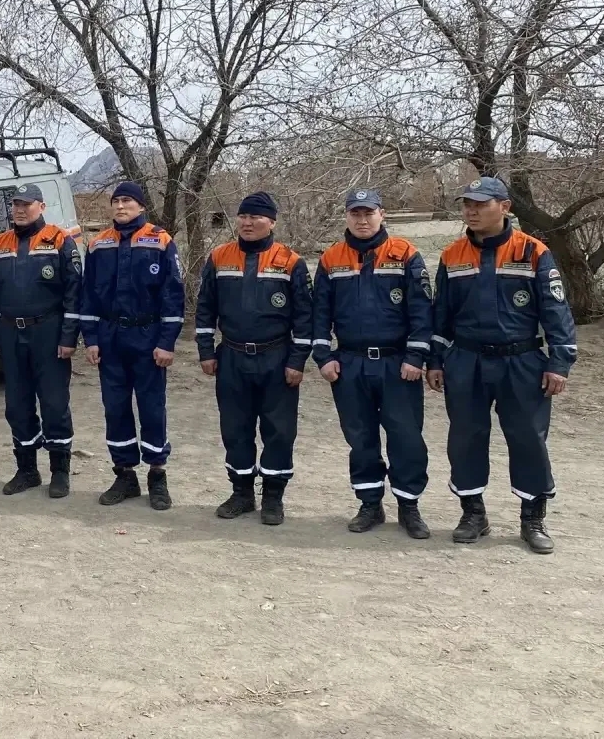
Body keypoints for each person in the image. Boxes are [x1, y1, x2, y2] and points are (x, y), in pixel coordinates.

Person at [427, 177, 577, 554]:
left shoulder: (534, 252)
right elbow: (441, 315)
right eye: (466, 204)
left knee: (527, 438)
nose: (471, 211)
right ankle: (473, 514)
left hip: (522, 362)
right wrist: (435, 360)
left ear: (505, 207)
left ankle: (532, 517)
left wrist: (559, 362)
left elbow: (557, 313)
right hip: (466, 361)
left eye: (480, 204)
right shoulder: (452, 255)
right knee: (465, 438)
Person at [313, 189, 433, 538]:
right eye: (355, 214)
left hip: (397, 365)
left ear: (382, 214)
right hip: (350, 364)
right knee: (360, 437)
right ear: (346, 216)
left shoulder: (406, 254)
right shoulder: (331, 259)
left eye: (369, 213)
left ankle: (409, 506)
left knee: (406, 437)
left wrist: (415, 356)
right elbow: (319, 314)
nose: (362, 220)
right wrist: (323, 356)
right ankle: (369, 504)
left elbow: (422, 311)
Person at [194, 191, 312, 525]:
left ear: (271, 222)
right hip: (231, 357)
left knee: (278, 429)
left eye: (255, 217)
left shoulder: (291, 262)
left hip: (276, 358)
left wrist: (297, 360)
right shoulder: (219, 257)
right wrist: (206, 351)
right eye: (243, 216)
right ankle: (242, 492)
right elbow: (205, 309)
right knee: (235, 427)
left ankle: (273, 497)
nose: (247, 223)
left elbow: (305, 316)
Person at [80, 181, 185, 511]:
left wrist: (167, 343)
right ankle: (124, 474)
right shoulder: (99, 244)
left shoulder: (159, 240)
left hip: (148, 338)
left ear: (141, 206)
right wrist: (92, 339)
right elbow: (89, 296)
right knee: (115, 408)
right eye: (116, 201)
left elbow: (173, 296)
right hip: (111, 339)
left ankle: (157, 475)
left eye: (128, 201)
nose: (121, 206)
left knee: (152, 408)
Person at [0, 183, 82, 498]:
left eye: (27, 204)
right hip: (11, 333)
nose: (20, 210)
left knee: (53, 404)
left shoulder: (59, 240)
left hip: (48, 333)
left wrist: (68, 337)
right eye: (15, 204)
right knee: (17, 405)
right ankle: (27, 470)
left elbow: (74, 294)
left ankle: (59, 472)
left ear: (41, 206)